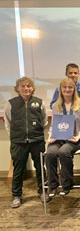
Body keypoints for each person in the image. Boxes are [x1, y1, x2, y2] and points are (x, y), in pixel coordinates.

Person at [5, 77, 49, 208]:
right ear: (18, 88)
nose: (26, 88)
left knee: (40, 167)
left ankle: (43, 191)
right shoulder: (10, 104)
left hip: (37, 141)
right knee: (18, 170)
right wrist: (14, 137)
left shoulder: (40, 103)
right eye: (23, 86)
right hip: (18, 142)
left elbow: (45, 121)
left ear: (33, 88)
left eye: (29, 86)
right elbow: (8, 123)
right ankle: (16, 195)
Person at [46, 78, 80, 197]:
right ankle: (53, 186)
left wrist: (77, 137)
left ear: (74, 89)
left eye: (70, 87)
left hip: (77, 138)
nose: (67, 89)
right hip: (59, 138)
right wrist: (50, 137)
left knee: (63, 151)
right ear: (60, 90)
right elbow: (53, 125)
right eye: (64, 87)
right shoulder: (56, 105)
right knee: (50, 153)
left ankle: (67, 185)